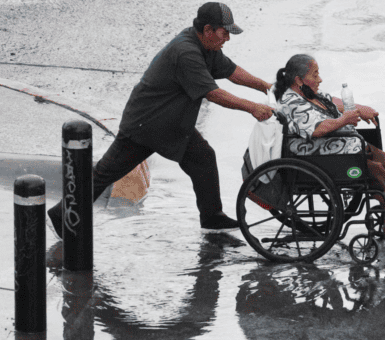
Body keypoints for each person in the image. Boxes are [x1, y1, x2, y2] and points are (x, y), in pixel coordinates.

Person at [48, 2, 274, 238]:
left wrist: (266, 87)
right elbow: (213, 93)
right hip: (146, 125)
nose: (227, 38)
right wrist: (252, 108)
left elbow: (231, 71)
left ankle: (212, 217)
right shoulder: (186, 52)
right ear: (208, 30)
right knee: (106, 174)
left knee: (203, 158)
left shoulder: (207, 47)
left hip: (171, 125)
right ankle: (60, 216)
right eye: (224, 32)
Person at [272, 54, 385, 235]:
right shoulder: (292, 102)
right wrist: (344, 120)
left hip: (333, 147)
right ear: (298, 79)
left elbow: (332, 101)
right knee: (373, 170)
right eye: (315, 75)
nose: (320, 79)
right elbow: (317, 129)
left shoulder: (306, 93)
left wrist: (360, 109)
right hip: (312, 154)